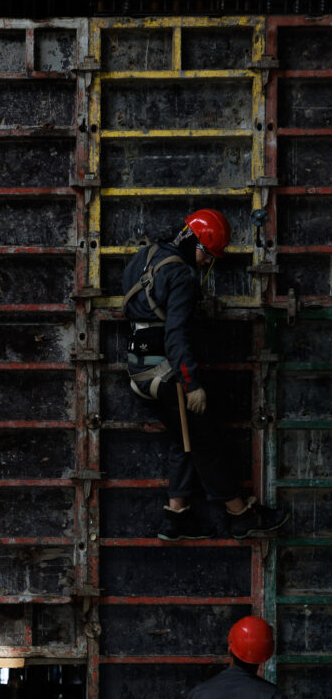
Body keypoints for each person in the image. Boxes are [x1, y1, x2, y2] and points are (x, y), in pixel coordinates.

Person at [122, 209, 288, 540]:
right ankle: (240, 514)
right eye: (207, 255)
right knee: (206, 442)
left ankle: (177, 515)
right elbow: (176, 336)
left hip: (138, 371)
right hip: (167, 374)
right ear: (196, 244)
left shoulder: (146, 256)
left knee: (183, 439)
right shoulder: (181, 276)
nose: (205, 263)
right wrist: (191, 383)